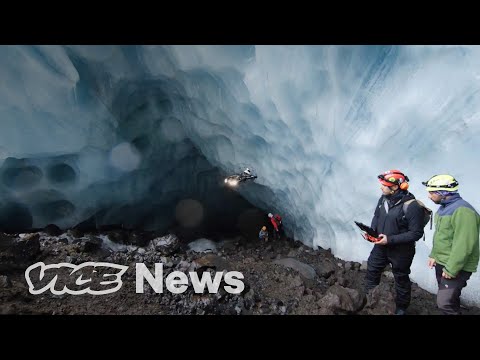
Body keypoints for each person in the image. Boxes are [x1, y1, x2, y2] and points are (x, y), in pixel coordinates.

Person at [364, 169, 425, 315]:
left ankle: (401, 308)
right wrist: (372, 232)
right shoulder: (383, 199)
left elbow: (416, 233)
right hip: (381, 246)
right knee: (372, 270)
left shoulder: (411, 206)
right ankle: (371, 299)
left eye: (384, 185)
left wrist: (389, 240)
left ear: (395, 187)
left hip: (401, 251)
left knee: (401, 277)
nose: (381, 187)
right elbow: (377, 216)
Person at [422, 174, 480, 315]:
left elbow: (464, 244)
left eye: (431, 192)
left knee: (444, 304)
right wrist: (434, 255)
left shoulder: (463, 211)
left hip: (456, 266)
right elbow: (443, 237)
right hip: (443, 262)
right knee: (451, 300)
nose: (429, 196)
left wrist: (452, 269)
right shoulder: (444, 208)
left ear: (443, 192)